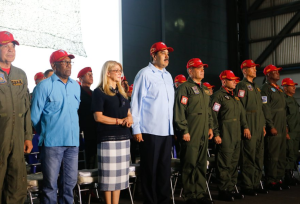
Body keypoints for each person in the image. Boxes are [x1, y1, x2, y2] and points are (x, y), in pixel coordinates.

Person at [31, 49, 80, 204]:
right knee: (50, 186)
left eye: (70, 62)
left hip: (72, 143)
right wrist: (47, 132)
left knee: (69, 184)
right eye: (64, 62)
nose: (68, 65)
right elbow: (34, 117)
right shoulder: (44, 86)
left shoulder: (75, 86)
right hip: (52, 143)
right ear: (54, 65)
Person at [131, 42, 174, 204]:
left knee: (164, 170)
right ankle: (150, 201)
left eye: (167, 53)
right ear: (153, 55)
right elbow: (136, 102)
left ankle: (164, 200)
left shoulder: (168, 76)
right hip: (149, 130)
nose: (166, 56)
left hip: (166, 131)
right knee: (150, 170)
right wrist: (136, 128)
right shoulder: (144, 74)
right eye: (162, 53)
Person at [91, 60, 132, 204]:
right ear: (107, 73)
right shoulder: (99, 92)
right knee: (108, 178)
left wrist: (129, 119)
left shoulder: (121, 93)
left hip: (124, 138)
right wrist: (118, 121)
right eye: (116, 70)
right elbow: (98, 116)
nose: (120, 73)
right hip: (108, 139)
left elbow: (128, 112)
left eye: (120, 70)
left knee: (120, 178)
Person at [174, 58, 213, 204]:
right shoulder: (184, 88)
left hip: (203, 130)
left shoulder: (204, 89)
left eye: (203, 67)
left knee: (202, 163)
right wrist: (184, 130)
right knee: (190, 162)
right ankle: (190, 195)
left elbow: (208, 110)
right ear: (190, 71)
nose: (202, 70)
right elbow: (180, 110)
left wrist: (210, 126)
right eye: (198, 68)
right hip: (191, 130)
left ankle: (200, 193)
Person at [0, 31, 33, 203]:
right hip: (1, 135)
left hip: (18, 137)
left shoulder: (20, 75)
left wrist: (28, 137)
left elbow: (26, 109)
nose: (10, 50)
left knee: (17, 183)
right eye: (5, 46)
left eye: (12, 46)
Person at [211, 70, 250, 201]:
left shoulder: (236, 97)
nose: (235, 82)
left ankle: (231, 188)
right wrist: (216, 134)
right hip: (225, 134)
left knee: (234, 163)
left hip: (236, 134)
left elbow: (242, 114)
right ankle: (223, 190)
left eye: (235, 79)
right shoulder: (218, 96)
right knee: (224, 164)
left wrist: (245, 127)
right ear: (224, 81)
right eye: (231, 79)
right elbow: (213, 117)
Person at [235, 60, 268, 196]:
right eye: (251, 68)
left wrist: (264, 125)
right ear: (244, 70)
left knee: (258, 156)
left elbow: (261, 108)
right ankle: (247, 185)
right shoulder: (242, 86)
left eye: (255, 67)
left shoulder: (257, 87)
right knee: (248, 156)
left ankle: (256, 183)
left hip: (259, 125)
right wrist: (245, 126)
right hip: (249, 124)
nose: (254, 70)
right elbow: (240, 108)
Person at [261, 65, 290, 191]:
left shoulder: (278, 89)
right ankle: (271, 180)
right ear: (267, 75)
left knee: (281, 154)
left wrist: (286, 126)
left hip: (282, 125)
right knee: (272, 154)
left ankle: (279, 178)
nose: (277, 73)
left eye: (278, 72)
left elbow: (284, 109)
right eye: (274, 72)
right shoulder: (265, 89)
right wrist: (270, 125)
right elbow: (265, 108)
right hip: (274, 124)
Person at [77, 67, 97, 169]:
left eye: (92, 74)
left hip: (94, 128)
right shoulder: (78, 92)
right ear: (81, 78)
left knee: (94, 156)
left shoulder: (94, 93)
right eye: (88, 75)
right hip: (83, 128)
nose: (91, 76)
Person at [281, 78, 300, 186]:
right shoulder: (284, 99)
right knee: (288, 153)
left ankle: (291, 174)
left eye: (294, 85)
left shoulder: (293, 99)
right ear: (285, 87)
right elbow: (282, 116)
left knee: (293, 153)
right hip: (290, 131)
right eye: (291, 85)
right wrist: (286, 129)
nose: (294, 87)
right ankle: (286, 176)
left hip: (296, 131)